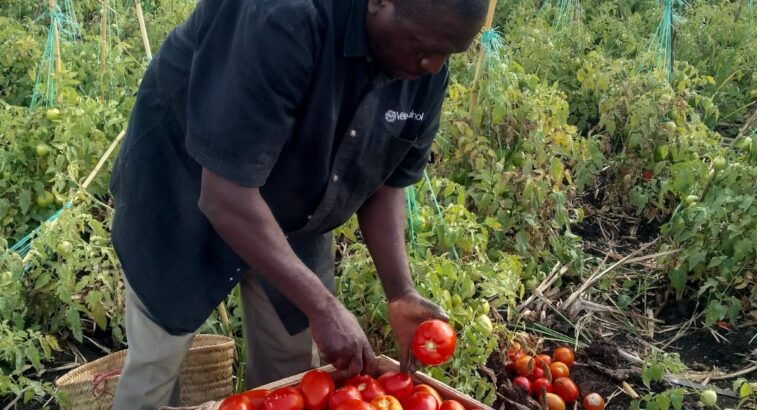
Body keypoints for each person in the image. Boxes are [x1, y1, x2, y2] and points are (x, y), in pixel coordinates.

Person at [108, 0, 487, 407]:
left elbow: (386, 181)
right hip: (184, 189)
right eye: (424, 46)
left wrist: (401, 293)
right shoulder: (282, 18)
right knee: (156, 367)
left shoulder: (424, 64)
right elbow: (225, 196)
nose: (433, 65)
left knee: (291, 371)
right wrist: (322, 307)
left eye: (448, 53)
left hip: (295, 208)